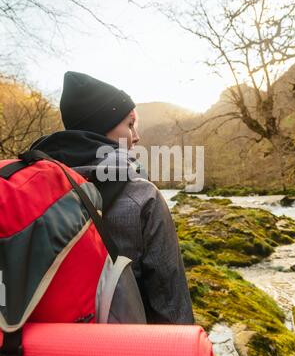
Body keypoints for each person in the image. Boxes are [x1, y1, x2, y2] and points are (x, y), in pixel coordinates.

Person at [31, 71, 194, 324]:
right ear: (101, 128)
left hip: (40, 355)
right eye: (129, 125)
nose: (136, 136)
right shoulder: (143, 196)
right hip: (124, 353)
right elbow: (172, 307)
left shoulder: (31, 188)